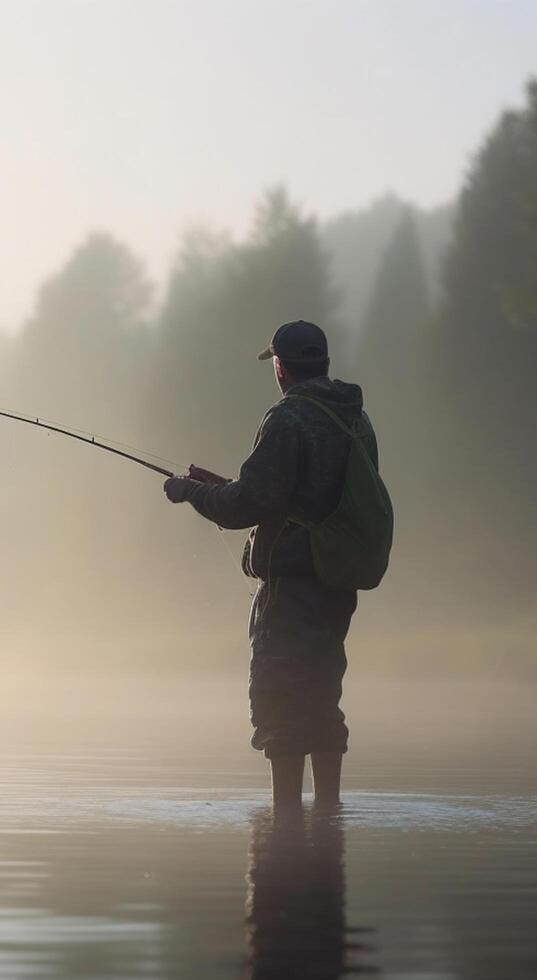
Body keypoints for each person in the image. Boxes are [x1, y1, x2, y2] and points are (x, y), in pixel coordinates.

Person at [162, 319, 374, 811]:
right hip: (335, 583)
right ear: (322, 361)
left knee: (279, 698)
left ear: (280, 366)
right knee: (322, 696)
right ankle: (328, 818)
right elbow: (302, 497)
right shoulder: (354, 419)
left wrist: (190, 492)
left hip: (292, 587)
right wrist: (226, 487)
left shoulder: (288, 418)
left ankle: (285, 825)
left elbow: (245, 506)